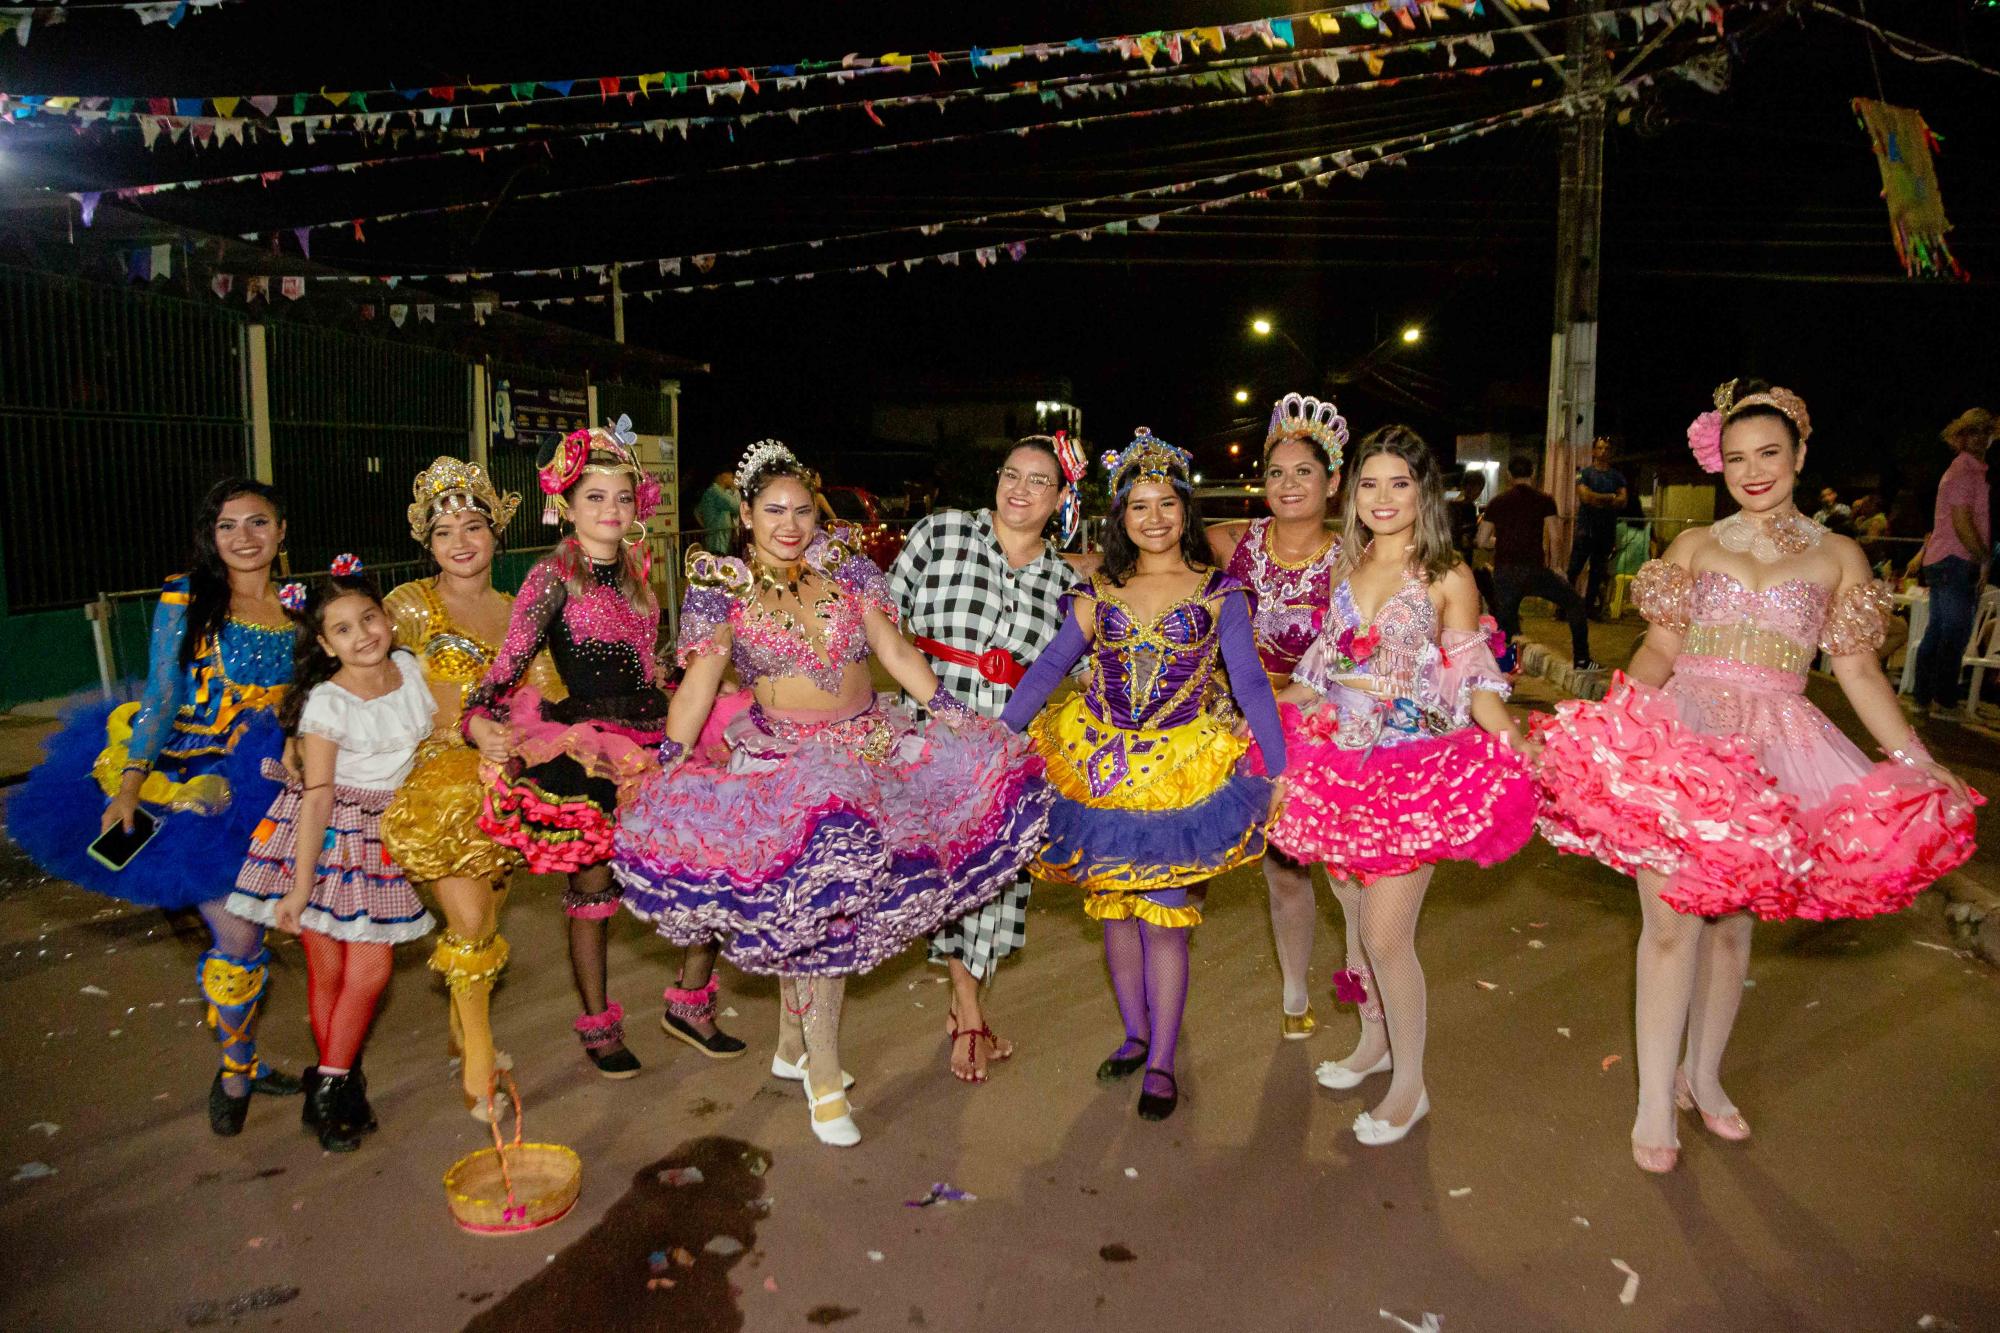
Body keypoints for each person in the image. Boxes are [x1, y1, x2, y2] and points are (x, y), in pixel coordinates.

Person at [1534, 379, 1980, 1174]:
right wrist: (1622, 721)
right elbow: (1660, 651)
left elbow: (1859, 673)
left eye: (1769, 453)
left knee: (1734, 928)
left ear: (1801, 455)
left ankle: (1700, 1077)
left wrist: (1917, 759)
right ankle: (1650, 1104)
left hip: (1780, 744)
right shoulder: (1695, 545)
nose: (1753, 470)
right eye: (1737, 457)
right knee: (1671, 923)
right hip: (1684, 737)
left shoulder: (1839, 555)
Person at [614, 440, 1052, 1146]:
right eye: (773, 510)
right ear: (746, 514)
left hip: (864, 754)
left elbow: (896, 653)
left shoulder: (848, 569)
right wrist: (667, 757)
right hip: (782, 770)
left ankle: (794, 1046)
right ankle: (823, 1077)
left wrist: (951, 714)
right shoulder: (723, 587)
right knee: (813, 920)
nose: (790, 524)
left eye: (801, 509)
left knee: (828, 914)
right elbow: (698, 685)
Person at [1000, 429, 1288, 1123]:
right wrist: (996, 736)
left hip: (1182, 773)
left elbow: (1249, 683)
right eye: (1139, 506)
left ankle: (1161, 1058)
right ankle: (1134, 1032)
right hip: (1097, 768)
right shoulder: (1098, 589)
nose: (1154, 517)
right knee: (1115, 911)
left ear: (1186, 511)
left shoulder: (1222, 593)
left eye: (1167, 503)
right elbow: (1047, 669)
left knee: (1164, 919)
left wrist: (1279, 768)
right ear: (1120, 518)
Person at [1263, 426, 1536, 1147]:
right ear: (1353, 494)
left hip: (1415, 770)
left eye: (1400, 484)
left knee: (1387, 935)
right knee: (1353, 921)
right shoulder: (1343, 573)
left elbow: (1474, 677)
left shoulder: (1446, 574)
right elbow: (1316, 681)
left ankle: (1410, 1085)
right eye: (1370, 484)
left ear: (1425, 492)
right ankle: (1373, 1043)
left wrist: (1513, 740)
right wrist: (1251, 715)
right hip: (1339, 768)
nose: (1383, 499)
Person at [10, 478, 304, 1137]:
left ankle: (246, 1055)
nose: (244, 538)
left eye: (258, 523)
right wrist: (130, 784)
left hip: (267, 783)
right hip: (186, 781)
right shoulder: (188, 594)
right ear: (212, 534)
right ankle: (236, 1068)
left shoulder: (300, 610)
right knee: (238, 935)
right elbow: (165, 692)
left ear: (282, 531)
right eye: (228, 526)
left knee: (267, 935)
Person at [464, 417, 742, 1078]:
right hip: (590, 747)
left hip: (656, 735)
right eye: (595, 496)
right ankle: (597, 1024)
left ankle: (691, 1004)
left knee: (712, 864)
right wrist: (476, 721)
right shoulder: (548, 578)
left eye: (622, 496)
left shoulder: (643, 574)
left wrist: (697, 673)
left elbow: (649, 669)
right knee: (594, 886)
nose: (611, 509)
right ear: (565, 502)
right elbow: (503, 671)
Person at [888, 434, 1091, 1082]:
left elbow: (1089, 674)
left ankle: (964, 999)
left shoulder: (1065, 581)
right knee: (953, 875)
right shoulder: (940, 533)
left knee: (1000, 883)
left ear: (1061, 500)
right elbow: (874, 619)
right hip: (931, 735)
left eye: (1038, 481)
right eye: (1011, 473)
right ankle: (970, 1013)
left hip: (1010, 751)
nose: (1020, 489)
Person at [227, 565, 437, 1151]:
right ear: (324, 645)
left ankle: (337, 1079)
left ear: (388, 618)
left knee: (358, 973)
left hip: (386, 831)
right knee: (344, 971)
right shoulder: (326, 702)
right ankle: (335, 1087)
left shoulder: (410, 669)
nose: (362, 634)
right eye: (342, 630)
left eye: (369, 618)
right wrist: (298, 887)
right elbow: (316, 796)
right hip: (325, 839)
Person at [380, 458, 563, 1121]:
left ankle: (466, 1025)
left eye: (473, 527)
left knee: (488, 917)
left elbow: (546, 694)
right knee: (468, 922)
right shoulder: (408, 606)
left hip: (508, 781)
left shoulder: (519, 613)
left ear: (496, 535)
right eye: (444, 532)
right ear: (427, 545)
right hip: (437, 781)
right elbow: (367, 675)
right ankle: (478, 1059)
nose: (460, 542)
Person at [1207, 392, 1345, 1040]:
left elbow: (1349, 652)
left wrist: (1296, 703)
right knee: (1245, 859)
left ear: (1333, 480)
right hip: (1247, 713)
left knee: (1332, 869)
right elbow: (1224, 633)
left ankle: (1355, 993)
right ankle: (1290, 991)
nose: (1288, 485)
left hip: (1324, 718)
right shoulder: (1245, 545)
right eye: (1277, 473)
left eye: (1304, 472)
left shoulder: (1351, 558)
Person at [1479, 452, 1600, 670]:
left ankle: (1502, 673)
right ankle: (1582, 659)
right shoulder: (1544, 500)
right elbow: (1555, 536)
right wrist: (1556, 567)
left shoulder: (1497, 502)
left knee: (1505, 623)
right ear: (1533, 474)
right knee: (1574, 604)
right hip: (1534, 570)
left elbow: (1482, 540)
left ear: (1509, 475)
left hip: (1505, 572)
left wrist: (1502, 540)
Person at [1909, 408, 1992, 714]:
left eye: (1985, 431)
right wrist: (1982, 556)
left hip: (1945, 558)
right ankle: (1942, 697)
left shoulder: (1965, 471)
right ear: (1961, 437)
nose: (1982, 437)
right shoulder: (1964, 473)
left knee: (1940, 629)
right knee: (1954, 631)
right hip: (1956, 558)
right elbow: (1961, 520)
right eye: (1975, 431)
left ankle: (1924, 696)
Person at [1571, 436, 1627, 618]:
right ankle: (1565, 606)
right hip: (1585, 530)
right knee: (1574, 569)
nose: (1603, 452)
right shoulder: (1583, 473)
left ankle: (1589, 608)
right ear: (1594, 451)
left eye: (1607, 449)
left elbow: (1623, 501)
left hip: (1605, 531)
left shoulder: (1617, 476)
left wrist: (1597, 498)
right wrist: (1610, 497)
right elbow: (1584, 497)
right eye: (1600, 448)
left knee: (1597, 572)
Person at [694, 471, 739, 556]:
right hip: (718, 542)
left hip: (716, 539)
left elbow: (697, 511)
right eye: (731, 477)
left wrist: (706, 526)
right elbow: (736, 507)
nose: (733, 480)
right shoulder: (716, 492)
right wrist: (735, 490)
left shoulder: (712, 491)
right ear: (723, 476)